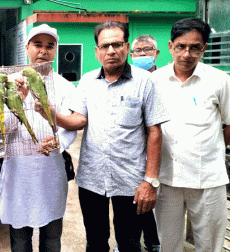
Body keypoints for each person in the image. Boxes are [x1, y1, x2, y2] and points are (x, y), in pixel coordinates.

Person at [63, 21, 169, 252]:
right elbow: (79, 120)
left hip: (131, 181)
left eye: (116, 44)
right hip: (92, 179)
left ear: (126, 46)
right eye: (105, 46)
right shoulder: (88, 81)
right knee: (96, 242)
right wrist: (51, 115)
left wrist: (150, 181)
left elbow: (154, 132)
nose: (111, 50)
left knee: (130, 244)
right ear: (97, 51)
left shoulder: (145, 82)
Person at [0, 24, 80, 252]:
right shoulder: (9, 83)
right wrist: (20, 102)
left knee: (52, 239)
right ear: (27, 48)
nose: (43, 51)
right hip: (18, 172)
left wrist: (58, 142)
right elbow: (3, 129)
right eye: (37, 45)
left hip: (50, 170)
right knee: (20, 241)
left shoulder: (64, 86)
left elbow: (70, 125)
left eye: (49, 46)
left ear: (55, 50)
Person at [153, 18, 230, 252]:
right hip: (167, 180)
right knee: (168, 245)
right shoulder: (154, 82)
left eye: (195, 47)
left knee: (209, 246)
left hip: (208, 180)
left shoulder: (220, 81)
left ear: (204, 47)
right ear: (170, 46)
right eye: (181, 46)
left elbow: (229, 124)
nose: (187, 54)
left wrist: (209, 148)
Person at [128, 34, 161, 252]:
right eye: (137, 51)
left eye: (147, 50)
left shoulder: (165, 80)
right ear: (131, 55)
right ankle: (136, 242)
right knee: (137, 202)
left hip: (160, 150)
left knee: (156, 203)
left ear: (156, 53)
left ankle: (154, 242)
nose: (142, 54)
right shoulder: (128, 80)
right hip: (135, 153)